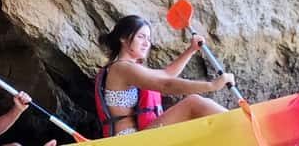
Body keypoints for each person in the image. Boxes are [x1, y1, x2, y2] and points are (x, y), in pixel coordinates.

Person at [94, 15, 234, 137]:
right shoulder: (122, 68)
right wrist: (211, 85)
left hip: (138, 136)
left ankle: (238, 126)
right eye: (141, 37)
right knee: (193, 102)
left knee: (196, 114)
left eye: (148, 39)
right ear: (123, 38)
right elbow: (165, 85)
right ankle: (240, 123)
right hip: (129, 140)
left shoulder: (124, 67)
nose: (146, 43)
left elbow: (167, 74)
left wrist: (191, 50)